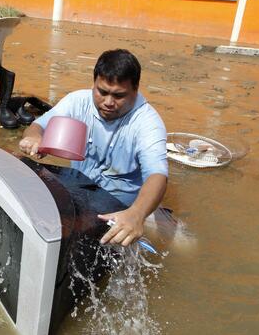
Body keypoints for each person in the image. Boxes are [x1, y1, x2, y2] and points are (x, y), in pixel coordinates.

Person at [19, 49, 169, 248]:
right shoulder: (78, 102)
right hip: (80, 191)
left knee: (184, 245)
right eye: (102, 92)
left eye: (119, 95)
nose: (108, 102)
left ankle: (158, 215)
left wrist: (137, 215)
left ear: (135, 90)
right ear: (94, 84)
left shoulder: (147, 123)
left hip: (124, 207)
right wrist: (34, 138)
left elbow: (157, 174)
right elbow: (38, 126)